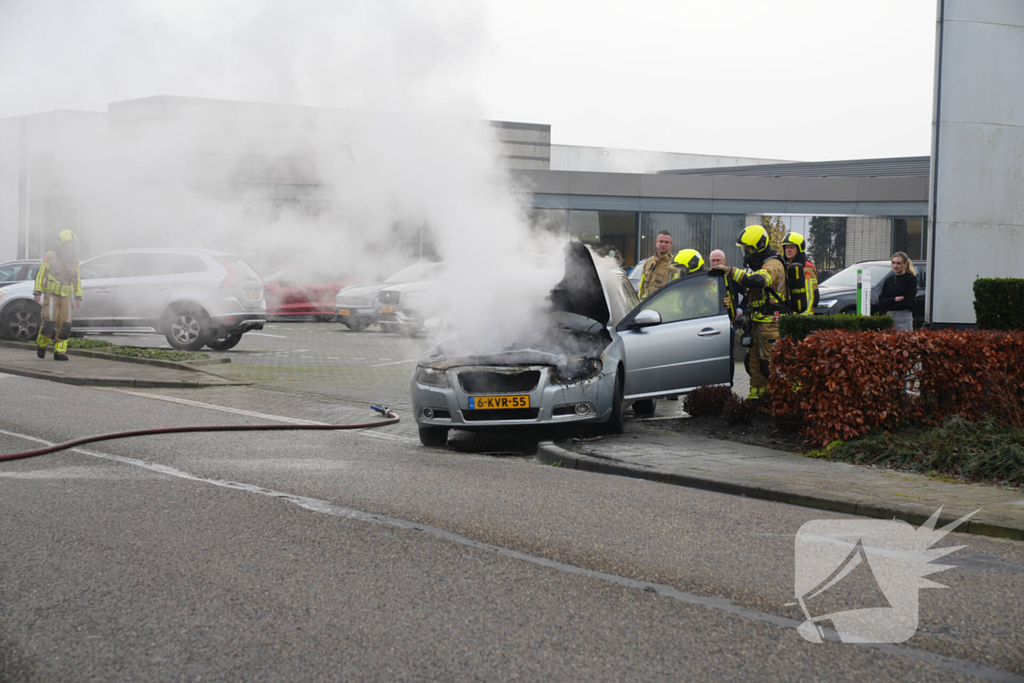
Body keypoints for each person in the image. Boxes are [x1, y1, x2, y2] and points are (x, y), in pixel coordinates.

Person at [710, 225, 787, 400]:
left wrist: (729, 270)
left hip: (770, 325)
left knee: (769, 365)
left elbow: (757, 281)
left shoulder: (773, 264)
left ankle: (782, 401)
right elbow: (747, 288)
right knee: (753, 365)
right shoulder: (759, 264)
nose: (747, 253)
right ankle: (758, 401)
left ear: (759, 246)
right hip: (756, 323)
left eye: (749, 249)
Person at [33, 230, 83, 361]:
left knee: (65, 325)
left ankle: (60, 352)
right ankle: (42, 345)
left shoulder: (74, 260)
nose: (71, 246)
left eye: (72, 244)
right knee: (49, 323)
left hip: (66, 296)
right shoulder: (50, 256)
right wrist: (37, 292)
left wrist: (78, 296)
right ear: (61, 243)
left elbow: (77, 279)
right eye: (68, 243)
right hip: (51, 295)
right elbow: (41, 274)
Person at [710, 249, 745, 387]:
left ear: (725, 261)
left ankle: (728, 386)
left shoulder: (732, 277)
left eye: (718, 260)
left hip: (727, 323)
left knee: (728, 357)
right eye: (713, 260)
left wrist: (739, 309)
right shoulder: (707, 277)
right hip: (709, 323)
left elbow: (748, 294)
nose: (715, 263)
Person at [878, 252, 917, 332]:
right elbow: (881, 300)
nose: (895, 266)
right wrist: (894, 299)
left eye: (898, 263)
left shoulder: (910, 279)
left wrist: (889, 304)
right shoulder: (889, 280)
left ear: (905, 264)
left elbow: (909, 301)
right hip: (889, 316)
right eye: (893, 263)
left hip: (904, 316)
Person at [780, 232, 819, 315]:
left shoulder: (807, 268)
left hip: (801, 315)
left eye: (792, 247)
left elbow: (811, 294)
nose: (788, 250)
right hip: (789, 313)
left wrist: (805, 316)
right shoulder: (786, 266)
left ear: (799, 248)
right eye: (786, 248)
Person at [638, 230, 675, 300]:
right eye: (661, 241)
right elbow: (642, 287)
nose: (663, 244)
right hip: (647, 306)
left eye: (666, 242)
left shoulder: (674, 263)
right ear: (656, 242)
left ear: (671, 244)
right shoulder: (648, 263)